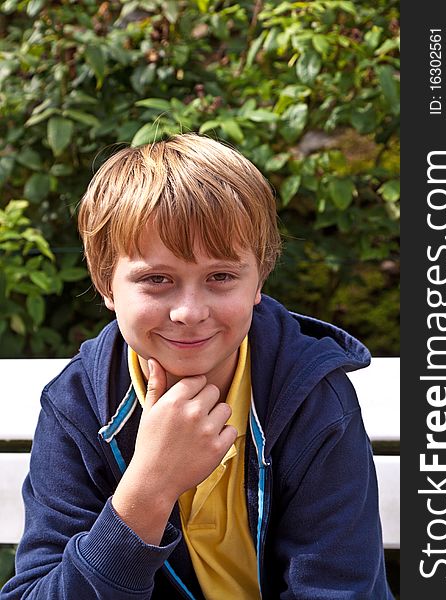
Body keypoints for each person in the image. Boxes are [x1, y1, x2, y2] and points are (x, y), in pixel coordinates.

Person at [1, 133, 394, 599]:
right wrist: (148, 489)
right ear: (106, 282)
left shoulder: (309, 399)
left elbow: (337, 589)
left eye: (221, 277)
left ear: (259, 279)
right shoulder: (79, 406)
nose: (189, 311)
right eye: (157, 279)